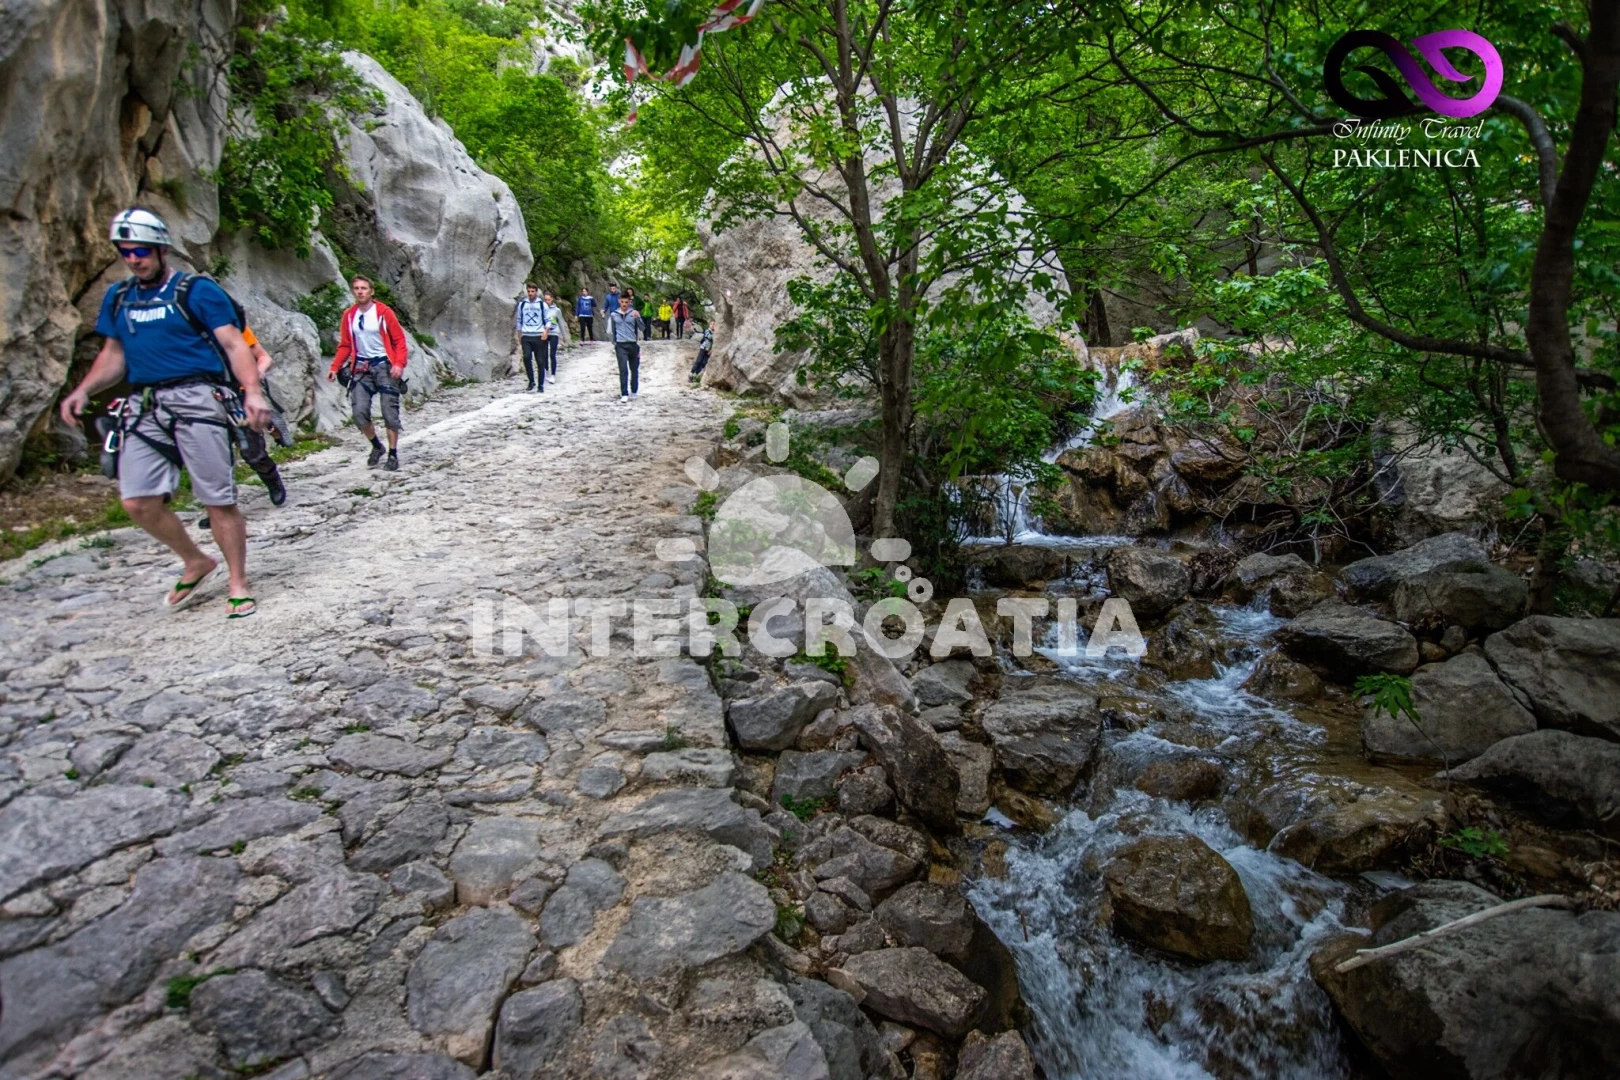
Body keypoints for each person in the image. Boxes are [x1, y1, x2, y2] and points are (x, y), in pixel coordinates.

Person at [59, 208, 273, 618]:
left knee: (217, 499)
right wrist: (83, 390)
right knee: (137, 502)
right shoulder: (119, 297)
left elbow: (234, 344)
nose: (134, 259)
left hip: (198, 398)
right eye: (126, 252)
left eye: (140, 250)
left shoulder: (197, 291)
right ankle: (196, 561)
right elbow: (114, 355)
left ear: (160, 249)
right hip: (146, 404)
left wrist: (252, 392)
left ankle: (238, 582)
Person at [326, 275, 408, 470]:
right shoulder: (349, 315)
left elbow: (399, 340)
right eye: (356, 288)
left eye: (364, 288)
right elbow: (345, 345)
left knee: (389, 412)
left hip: (384, 365)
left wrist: (398, 363)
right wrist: (335, 367)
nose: (360, 291)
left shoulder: (383, 313)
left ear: (371, 291)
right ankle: (377, 446)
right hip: (361, 367)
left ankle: (393, 454)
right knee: (359, 412)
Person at [606, 291, 644, 403]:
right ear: (619, 301)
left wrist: (638, 318)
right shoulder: (614, 315)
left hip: (633, 344)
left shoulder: (634, 313)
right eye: (622, 302)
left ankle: (634, 391)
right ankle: (624, 393)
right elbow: (610, 331)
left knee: (634, 369)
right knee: (623, 369)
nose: (624, 304)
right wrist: (615, 343)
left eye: (626, 302)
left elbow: (642, 328)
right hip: (621, 345)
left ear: (629, 302)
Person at [514, 283, 547, 391]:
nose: (530, 293)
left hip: (538, 335)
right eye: (529, 291)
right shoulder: (523, 304)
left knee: (540, 361)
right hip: (526, 335)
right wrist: (519, 334)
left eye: (532, 291)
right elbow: (519, 319)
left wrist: (546, 331)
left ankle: (541, 384)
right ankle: (531, 380)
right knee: (527, 357)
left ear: (536, 292)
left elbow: (548, 320)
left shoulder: (542, 305)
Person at [541, 290, 564, 381]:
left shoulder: (557, 310)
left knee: (552, 354)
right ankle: (546, 372)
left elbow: (561, 322)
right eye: (545, 300)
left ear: (552, 299)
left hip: (554, 333)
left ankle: (553, 374)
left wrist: (563, 335)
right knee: (544, 353)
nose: (547, 301)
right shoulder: (542, 309)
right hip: (545, 333)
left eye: (548, 299)